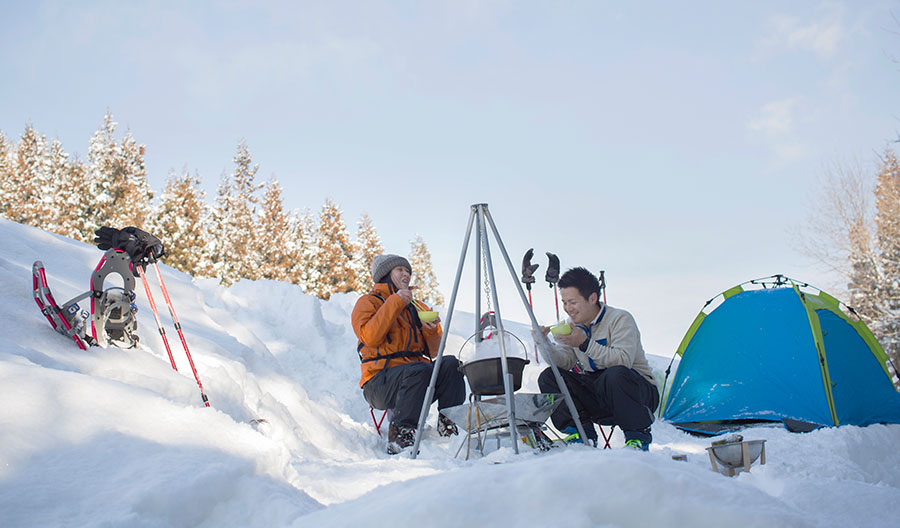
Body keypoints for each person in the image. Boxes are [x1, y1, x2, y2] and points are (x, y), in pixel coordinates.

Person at [352, 253, 466, 454]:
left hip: (417, 379)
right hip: (380, 383)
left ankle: (449, 424)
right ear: (386, 275)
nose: (406, 275)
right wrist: (395, 302)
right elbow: (369, 337)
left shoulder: (416, 307)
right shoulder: (368, 302)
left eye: (408, 271)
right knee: (419, 369)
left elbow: (433, 352)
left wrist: (431, 330)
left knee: (451, 364)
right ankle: (400, 434)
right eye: (400, 270)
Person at [537, 267, 659, 450]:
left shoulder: (620, 319)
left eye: (572, 302)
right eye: (564, 302)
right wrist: (543, 342)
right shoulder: (573, 326)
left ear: (592, 298)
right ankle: (580, 433)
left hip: (637, 393)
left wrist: (584, 343)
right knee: (550, 376)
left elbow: (623, 360)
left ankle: (637, 437)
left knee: (615, 374)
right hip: (599, 393)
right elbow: (564, 362)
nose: (568, 309)